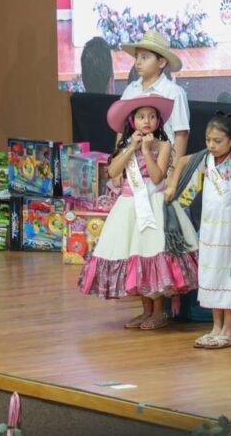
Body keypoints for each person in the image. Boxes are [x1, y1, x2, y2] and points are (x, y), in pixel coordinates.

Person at [78, 94, 199, 330]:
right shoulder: (126, 145)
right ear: (133, 121)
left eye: (152, 116)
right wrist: (132, 148)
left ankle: (159, 313)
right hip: (129, 206)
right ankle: (146, 311)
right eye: (142, 116)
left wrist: (146, 150)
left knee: (153, 253)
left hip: (154, 205)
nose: (147, 121)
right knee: (136, 254)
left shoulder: (163, 145)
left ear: (158, 121)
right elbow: (113, 171)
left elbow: (157, 176)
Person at [166, 113, 231, 349]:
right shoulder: (206, 158)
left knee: (229, 277)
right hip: (209, 230)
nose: (211, 145)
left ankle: (228, 330)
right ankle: (216, 327)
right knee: (211, 276)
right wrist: (172, 186)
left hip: (230, 232)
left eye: (217, 141)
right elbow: (182, 162)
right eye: (208, 139)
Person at [121, 31, 190, 160]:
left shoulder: (174, 92)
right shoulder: (130, 90)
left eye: (144, 57)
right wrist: (117, 158)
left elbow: (181, 135)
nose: (138, 62)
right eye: (137, 57)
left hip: (161, 164)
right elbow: (121, 130)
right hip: (132, 164)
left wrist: (173, 169)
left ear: (161, 62)